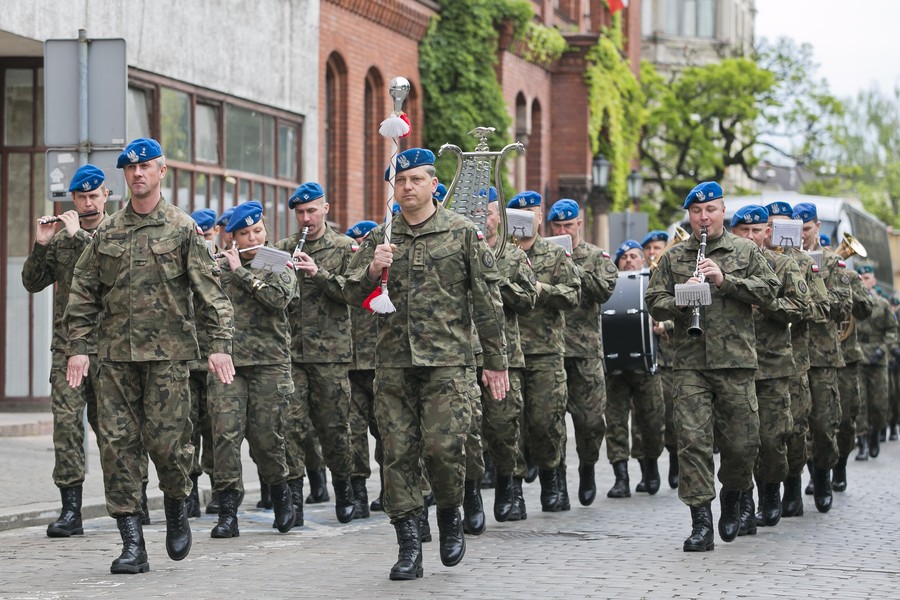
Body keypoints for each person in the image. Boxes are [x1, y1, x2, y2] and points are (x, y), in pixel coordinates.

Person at [65, 138, 235, 575]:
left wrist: (219, 344)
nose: (138, 173)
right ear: (124, 176)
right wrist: (79, 348)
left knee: (169, 444)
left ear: (162, 172)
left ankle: (177, 506)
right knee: (117, 448)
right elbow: (83, 291)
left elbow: (210, 294)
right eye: (130, 168)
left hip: (167, 359)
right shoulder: (108, 231)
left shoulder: (181, 229)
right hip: (115, 360)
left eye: (146, 167)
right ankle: (132, 544)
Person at [343, 148, 509, 580]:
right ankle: (409, 545)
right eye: (400, 181)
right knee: (397, 455)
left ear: (434, 185)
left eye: (416, 180)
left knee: (443, 449)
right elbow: (347, 293)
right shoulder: (382, 235)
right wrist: (369, 270)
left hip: (447, 364)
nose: (407, 187)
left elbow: (487, 301)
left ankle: (450, 517)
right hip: (394, 365)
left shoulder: (461, 233)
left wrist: (495, 361)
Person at [646, 181, 779, 552]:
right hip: (689, 364)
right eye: (696, 212)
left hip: (735, 363)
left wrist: (725, 280)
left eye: (711, 211)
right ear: (689, 215)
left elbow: (769, 291)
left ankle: (735, 496)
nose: (703, 218)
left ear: (723, 213)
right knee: (692, 443)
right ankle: (700, 522)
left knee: (743, 445)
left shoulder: (745, 249)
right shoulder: (674, 257)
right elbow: (653, 301)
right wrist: (681, 296)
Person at [22, 164, 113, 537]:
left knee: (114, 429)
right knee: (66, 425)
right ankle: (71, 510)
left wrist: (78, 236)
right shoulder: (61, 239)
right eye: (81, 197)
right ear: (72, 199)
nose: (88, 202)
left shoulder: (118, 231)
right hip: (67, 347)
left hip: (110, 347)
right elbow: (32, 282)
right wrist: (42, 243)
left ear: (106, 195)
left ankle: (130, 500)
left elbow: (110, 273)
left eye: (94, 196)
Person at [207, 201, 297, 538]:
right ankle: (228, 512)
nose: (252, 237)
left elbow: (278, 300)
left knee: (265, 437)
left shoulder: (273, 260)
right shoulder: (218, 266)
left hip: (269, 363)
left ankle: (281, 494)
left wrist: (241, 273)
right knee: (225, 434)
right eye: (244, 234)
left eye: (256, 231)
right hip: (228, 363)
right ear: (233, 237)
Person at [276, 182, 359, 524]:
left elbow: (354, 293)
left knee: (334, 428)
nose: (306, 219)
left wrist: (319, 273)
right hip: (292, 353)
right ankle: (294, 500)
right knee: (290, 426)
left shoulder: (343, 248)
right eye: (300, 213)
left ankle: (344, 488)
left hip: (330, 355)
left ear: (326, 209)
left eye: (312, 211)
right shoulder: (281, 249)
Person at [729, 205, 806, 533]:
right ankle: (745, 504)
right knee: (739, 442)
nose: (750, 237)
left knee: (774, 438)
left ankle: (772, 491)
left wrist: (769, 304)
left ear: (767, 233)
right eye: (743, 232)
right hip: (733, 366)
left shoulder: (783, 265)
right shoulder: (722, 266)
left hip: (773, 366)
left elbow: (802, 307)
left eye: (756, 231)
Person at [506, 191, 581, 513]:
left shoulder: (554, 254)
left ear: (539, 218)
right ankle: (513, 491)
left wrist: (543, 289)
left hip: (545, 352)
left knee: (545, 421)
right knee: (508, 424)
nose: (526, 220)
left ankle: (554, 480)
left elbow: (573, 294)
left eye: (532, 214)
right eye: (518, 215)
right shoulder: (499, 255)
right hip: (508, 351)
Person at [546, 199, 616, 507]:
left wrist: (572, 265)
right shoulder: (543, 255)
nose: (563, 230)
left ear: (579, 224)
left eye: (567, 225)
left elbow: (604, 290)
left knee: (590, 421)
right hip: (551, 350)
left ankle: (587, 467)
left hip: (585, 351)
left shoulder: (597, 256)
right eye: (557, 227)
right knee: (550, 420)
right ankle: (558, 480)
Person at [762, 200, 829, 519]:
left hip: (797, 358)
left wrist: (786, 308)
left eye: (783, 224)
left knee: (796, 427)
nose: (776, 230)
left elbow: (823, 307)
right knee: (766, 432)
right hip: (762, 360)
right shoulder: (754, 259)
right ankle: (768, 492)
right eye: (771, 223)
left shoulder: (804, 262)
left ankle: (792, 486)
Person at [477, 189, 536, 523]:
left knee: (503, 427)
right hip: (464, 353)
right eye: (476, 212)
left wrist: (500, 285)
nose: (483, 219)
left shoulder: (513, 257)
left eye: (488, 212)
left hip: (504, 355)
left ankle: (510, 488)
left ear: (499, 216)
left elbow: (528, 299)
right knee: (468, 430)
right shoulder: (458, 249)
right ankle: (470, 497)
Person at [793, 202, 852, 513]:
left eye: (806, 229)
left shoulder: (834, 263)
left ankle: (823, 474)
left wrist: (817, 288)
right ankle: (791, 483)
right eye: (796, 229)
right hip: (788, 356)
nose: (801, 235)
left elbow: (843, 306)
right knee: (791, 426)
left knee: (823, 423)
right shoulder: (781, 259)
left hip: (822, 355)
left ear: (816, 227)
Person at [604, 240, 665, 499]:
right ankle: (621, 478)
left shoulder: (655, 283)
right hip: (615, 369)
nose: (628, 261)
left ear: (643, 260)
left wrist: (664, 324)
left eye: (633, 256)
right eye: (623, 257)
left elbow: (674, 310)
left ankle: (649, 466)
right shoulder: (609, 286)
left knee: (651, 422)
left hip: (646, 366)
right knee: (615, 423)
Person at [344, 219, 384, 514]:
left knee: (386, 431)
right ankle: (358, 493)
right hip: (351, 362)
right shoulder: (355, 274)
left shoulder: (386, 274)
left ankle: (390, 489)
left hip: (380, 363)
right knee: (353, 431)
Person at [186, 207, 220, 518]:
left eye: (208, 236)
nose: (205, 240)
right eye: (200, 236)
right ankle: (189, 492)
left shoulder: (226, 262)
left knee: (215, 429)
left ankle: (218, 490)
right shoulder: (186, 259)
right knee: (186, 429)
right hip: (187, 359)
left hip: (214, 360)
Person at [643, 230, 680, 488]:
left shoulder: (673, 272)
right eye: (650, 248)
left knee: (672, 417)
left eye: (658, 247)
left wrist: (665, 324)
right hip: (645, 358)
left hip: (671, 358)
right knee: (651, 419)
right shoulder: (640, 277)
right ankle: (651, 470)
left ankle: (676, 463)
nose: (653, 252)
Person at [854, 265, 897, 462]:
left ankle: (874, 434)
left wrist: (884, 348)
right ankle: (861, 441)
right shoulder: (853, 303)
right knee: (860, 402)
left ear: (874, 281)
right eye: (860, 277)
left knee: (880, 404)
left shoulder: (883, 305)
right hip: (859, 356)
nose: (864, 281)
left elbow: (892, 329)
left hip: (878, 359)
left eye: (867, 277)